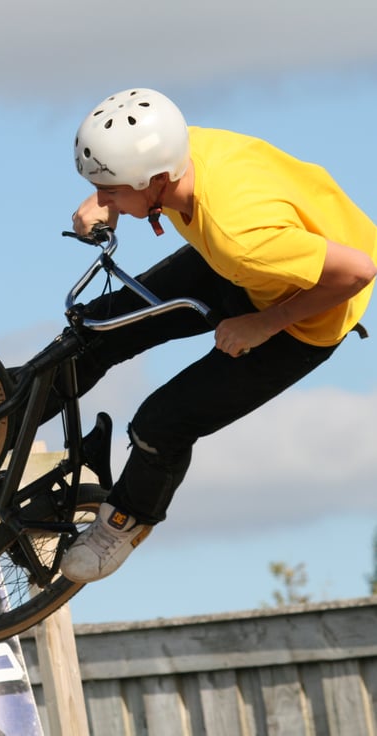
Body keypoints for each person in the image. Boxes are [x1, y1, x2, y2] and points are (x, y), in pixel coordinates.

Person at [59, 87, 377, 584]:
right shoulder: (177, 151)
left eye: (110, 190)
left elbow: (358, 271)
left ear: (155, 182)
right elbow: (137, 168)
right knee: (98, 328)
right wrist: (109, 201)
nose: (101, 198)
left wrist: (265, 323)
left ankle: (125, 522)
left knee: (161, 422)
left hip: (306, 313)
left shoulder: (240, 235)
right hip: (245, 262)